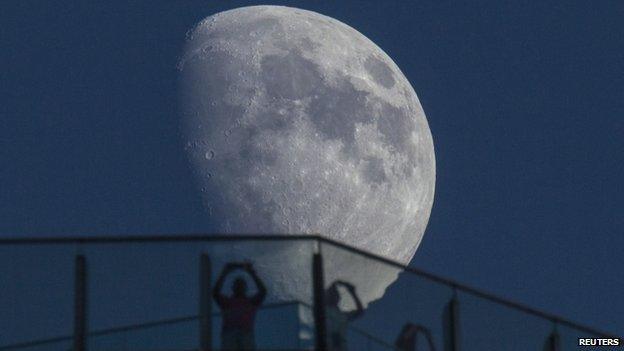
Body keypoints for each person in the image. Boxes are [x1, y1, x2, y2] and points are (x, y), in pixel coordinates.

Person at [213, 262, 267, 351]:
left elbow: (263, 292)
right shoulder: (227, 302)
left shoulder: (250, 302)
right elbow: (215, 293)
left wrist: (252, 273)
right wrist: (224, 272)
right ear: (233, 287)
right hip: (229, 334)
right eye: (237, 284)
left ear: (245, 288)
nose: (239, 287)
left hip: (246, 333)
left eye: (241, 285)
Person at [325, 280, 364, 351]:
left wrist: (352, 292)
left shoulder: (342, 315)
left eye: (335, 294)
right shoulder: (322, 310)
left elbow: (360, 312)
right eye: (331, 294)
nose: (333, 296)